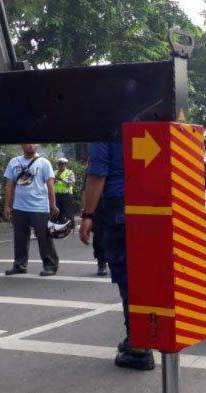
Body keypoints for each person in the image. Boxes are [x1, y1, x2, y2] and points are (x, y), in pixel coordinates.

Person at [79, 142, 155, 370]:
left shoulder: (104, 130)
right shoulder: (144, 121)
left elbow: (98, 175)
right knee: (143, 275)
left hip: (119, 209)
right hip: (151, 205)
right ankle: (140, 335)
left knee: (127, 278)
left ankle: (139, 348)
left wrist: (87, 214)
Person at [3, 144, 60, 276]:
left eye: (33, 142)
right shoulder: (14, 162)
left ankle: (50, 266)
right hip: (19, 207)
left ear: (38, 145)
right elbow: (9, 185)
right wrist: (7, 206)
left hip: (39, 207)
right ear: (22, 145)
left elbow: (50, 186)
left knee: (44, 238)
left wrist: (53, 205)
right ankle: (19, 265)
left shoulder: (44, 162)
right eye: (27, 142)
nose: (30, 145)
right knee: (20, 238)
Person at [80, 168, 107, 276]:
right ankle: (101, 263)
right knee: (99, 236)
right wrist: (86, 213)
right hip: (98, 206)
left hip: (119, 204)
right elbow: (86, 190)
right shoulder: (94, 166)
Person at [54, 157, 76, 222]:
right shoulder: (54, 172)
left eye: (62, 164)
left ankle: (70, 228)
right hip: (56, 195)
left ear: (65, 165)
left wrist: (62, 179)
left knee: (68, 213)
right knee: (57, 213)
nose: (60, 166)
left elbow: (72, 183)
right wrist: (54, 180)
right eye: (59, 164)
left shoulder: (70, 172)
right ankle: (58, 228)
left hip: (67, 196)